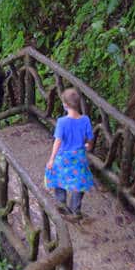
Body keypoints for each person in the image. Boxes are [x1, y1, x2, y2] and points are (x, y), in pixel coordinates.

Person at [45, 88, 95, 218]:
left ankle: (61, 203)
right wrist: (88, 146)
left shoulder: (62, 122)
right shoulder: (85, 120)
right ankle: (75, 208)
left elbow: (57, 142)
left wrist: (51, 159)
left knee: (57, 177)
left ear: (65, 104)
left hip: (64, 156)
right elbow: (90, 140)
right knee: (80, 181)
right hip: (79, 156)